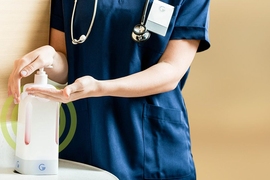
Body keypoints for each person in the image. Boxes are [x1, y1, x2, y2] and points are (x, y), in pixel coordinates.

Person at [8, 0, 210, 179]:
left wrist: (100, 87)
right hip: (89, 136)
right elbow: (66, 61)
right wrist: (49, 58)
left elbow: (172, 71)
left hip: (151, 142)